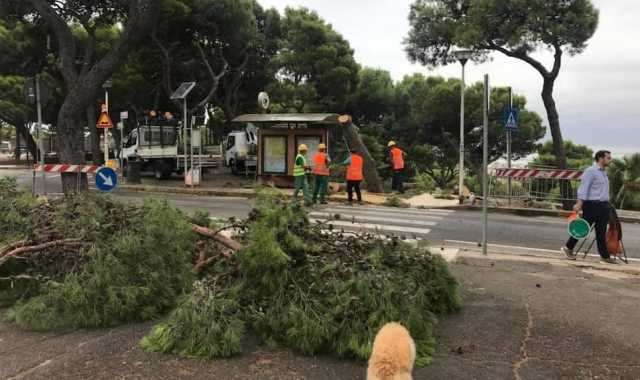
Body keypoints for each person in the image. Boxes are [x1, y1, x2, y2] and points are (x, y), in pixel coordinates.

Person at [561, 150, 617, 264]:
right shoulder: (591, 171)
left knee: (601, 231)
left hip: (603, 205)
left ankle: (604, 256)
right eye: (608, 158)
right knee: (583, 228)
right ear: (601, 158)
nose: (610, 160)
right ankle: (568, 248)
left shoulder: (603, 172)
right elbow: (583, 188)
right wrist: (579, 203)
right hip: (592, 205)